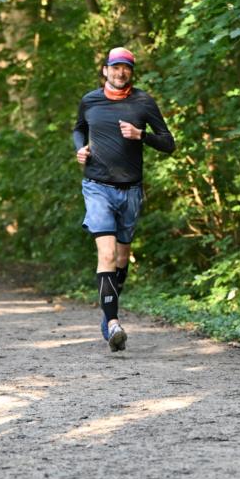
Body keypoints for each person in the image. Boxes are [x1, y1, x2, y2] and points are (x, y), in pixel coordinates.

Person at [73, 46, 175, 351]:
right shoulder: (90, 100)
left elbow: (169, 143)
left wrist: (141, 135)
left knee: (121, 257)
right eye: (115, 67)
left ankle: (108, 314)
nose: (121, 72)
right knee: (106, 255)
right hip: (97, 186)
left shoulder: (143, 102)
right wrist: (80, 149)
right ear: (105, 70)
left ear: (131, 72)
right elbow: (79, 129)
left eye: (126, 68)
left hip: (130, 190)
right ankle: (113, 322)